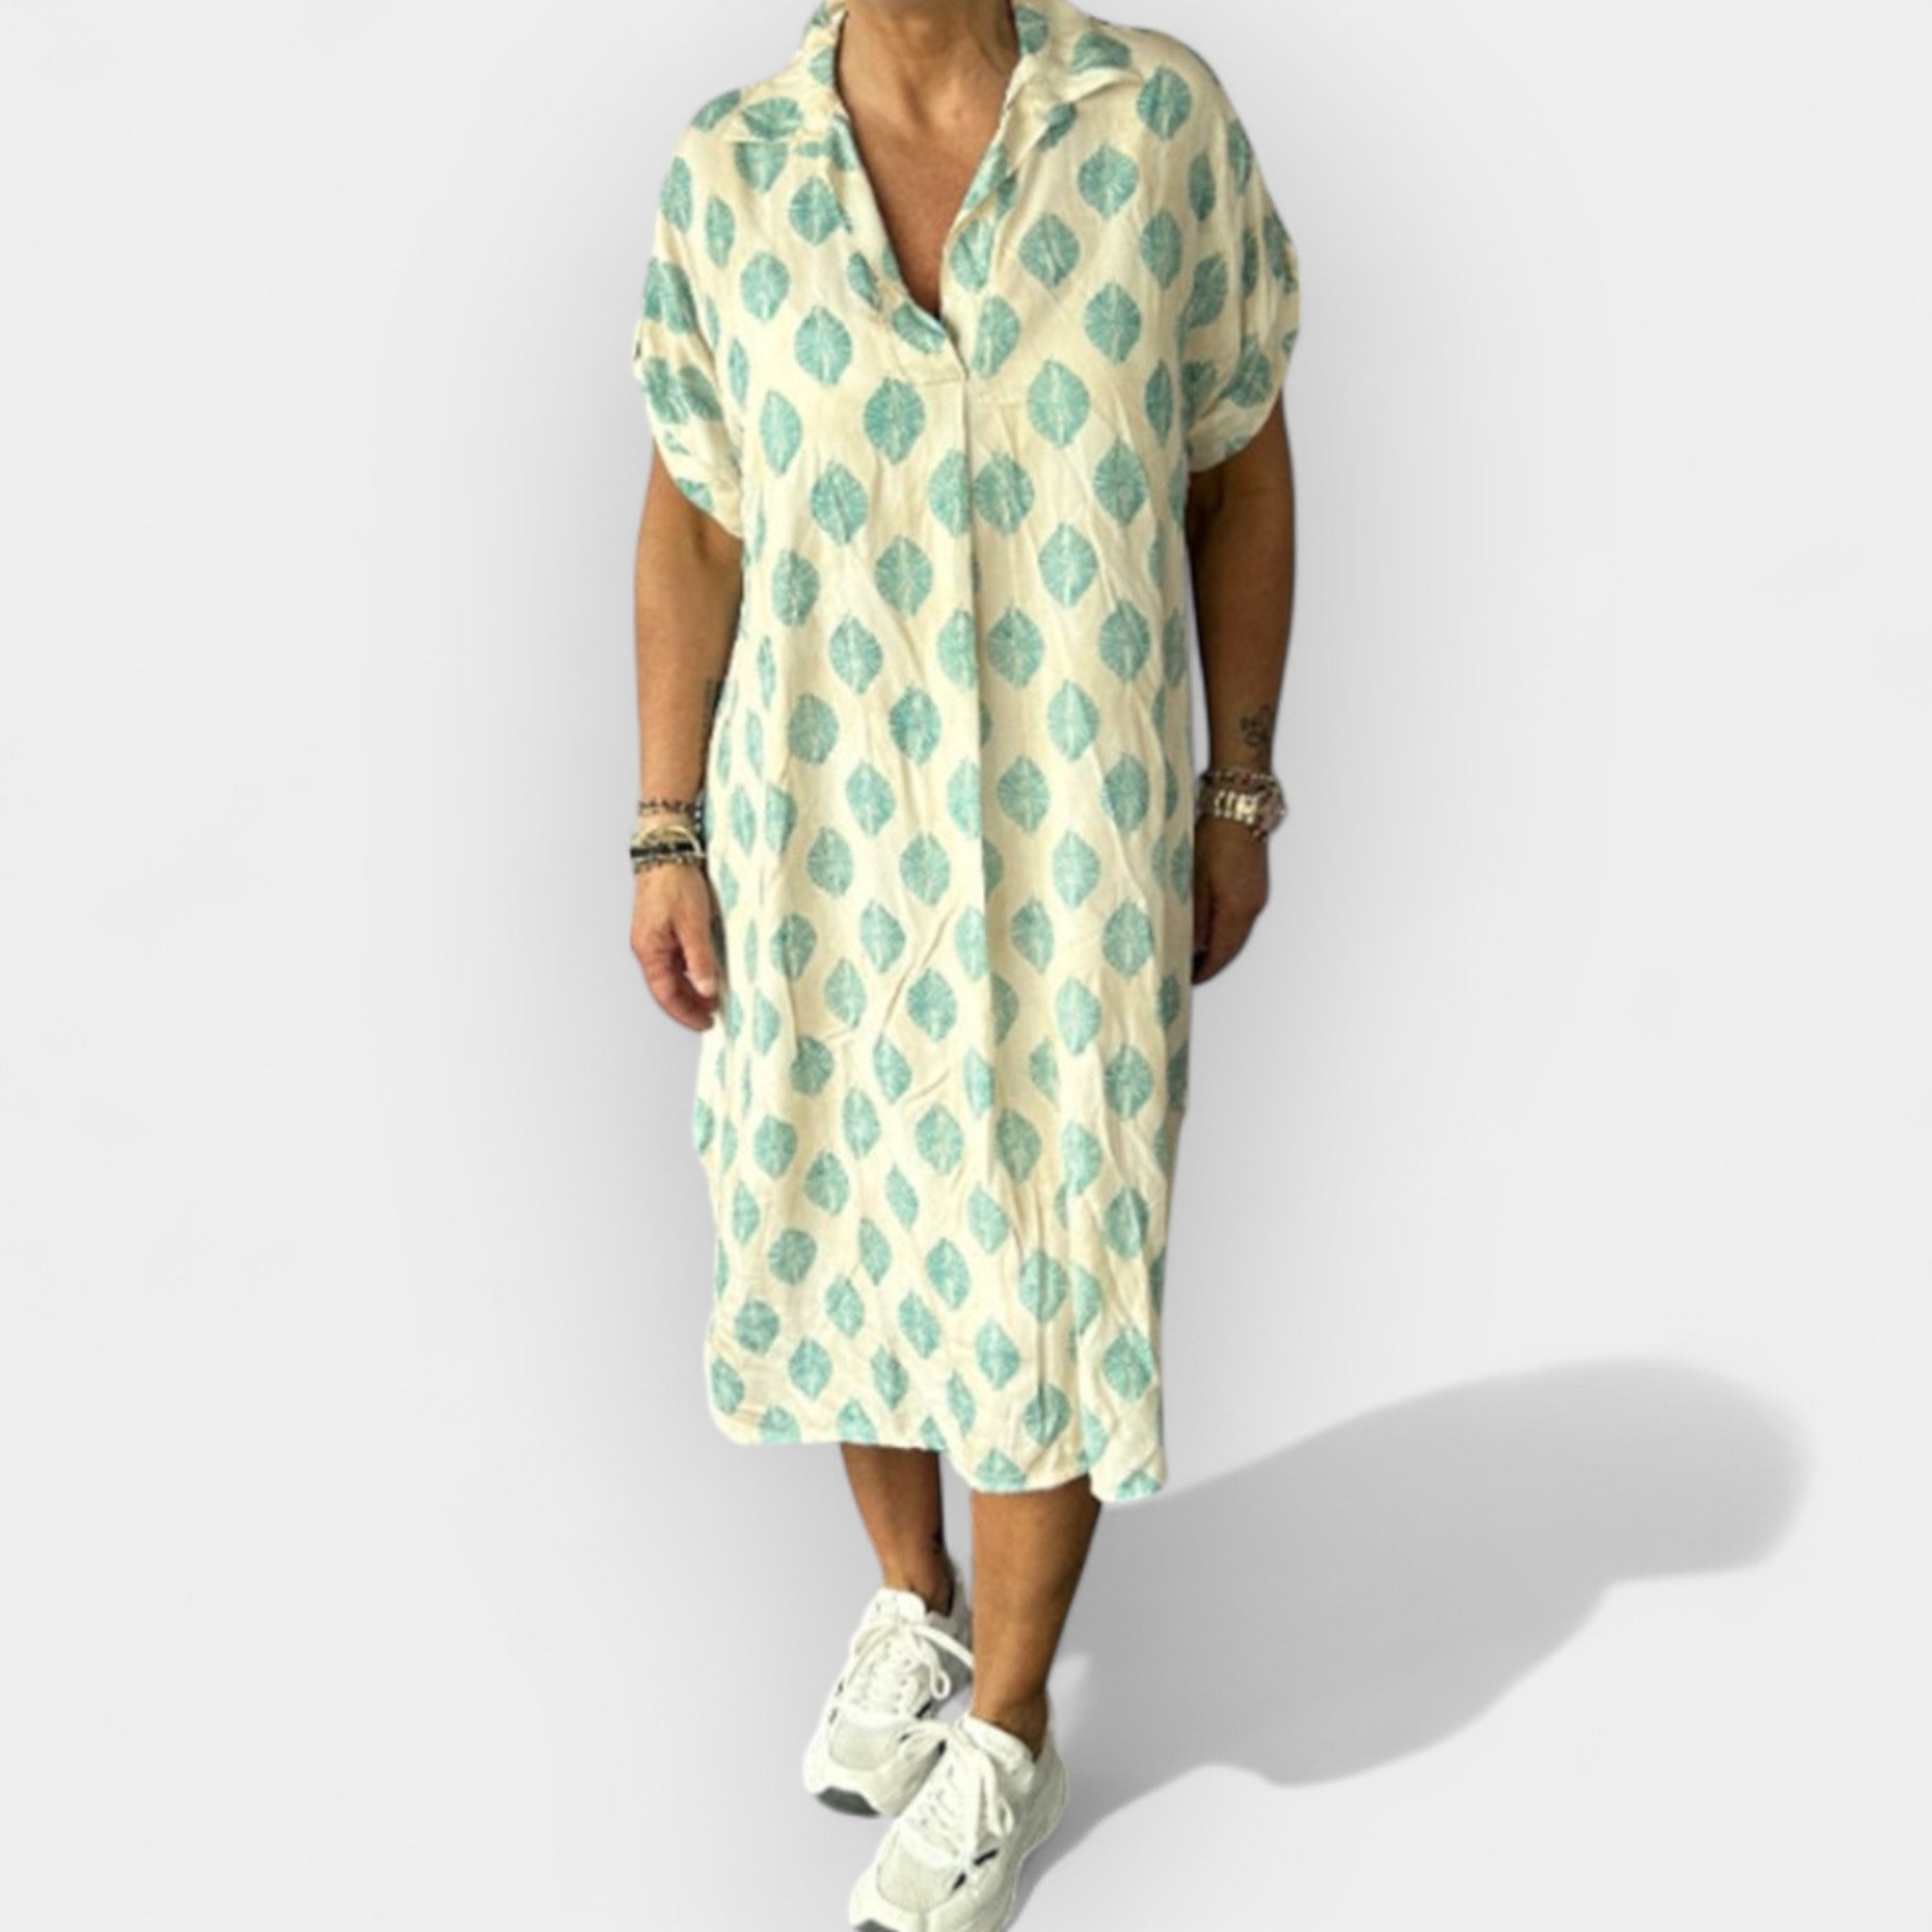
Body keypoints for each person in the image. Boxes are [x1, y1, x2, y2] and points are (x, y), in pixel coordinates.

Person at [626, 0, 1297, 1923]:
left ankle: (1009, 1723)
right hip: (818, 830)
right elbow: (698, 514)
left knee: (1051, 1241)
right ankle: (910, 1599)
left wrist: (1236, 786)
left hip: (1077, 846)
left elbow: (1236, 466)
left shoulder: (1152, 126)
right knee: (844, 1211)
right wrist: (666, 823)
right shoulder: (731, 172)